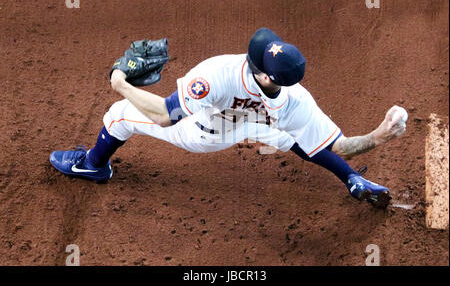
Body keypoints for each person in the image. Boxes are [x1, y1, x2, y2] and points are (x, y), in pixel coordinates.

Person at [49, 28, 407, 208]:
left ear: (267, 77)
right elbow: (338, 145)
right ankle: (355, 181)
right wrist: (379, 136)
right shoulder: (297, 101)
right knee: (297, 137)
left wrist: (120, 84)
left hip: (203, 131)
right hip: (260, 123)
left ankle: (93, 166)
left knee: (119, 117)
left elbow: (164, 116)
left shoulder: (217, 74)